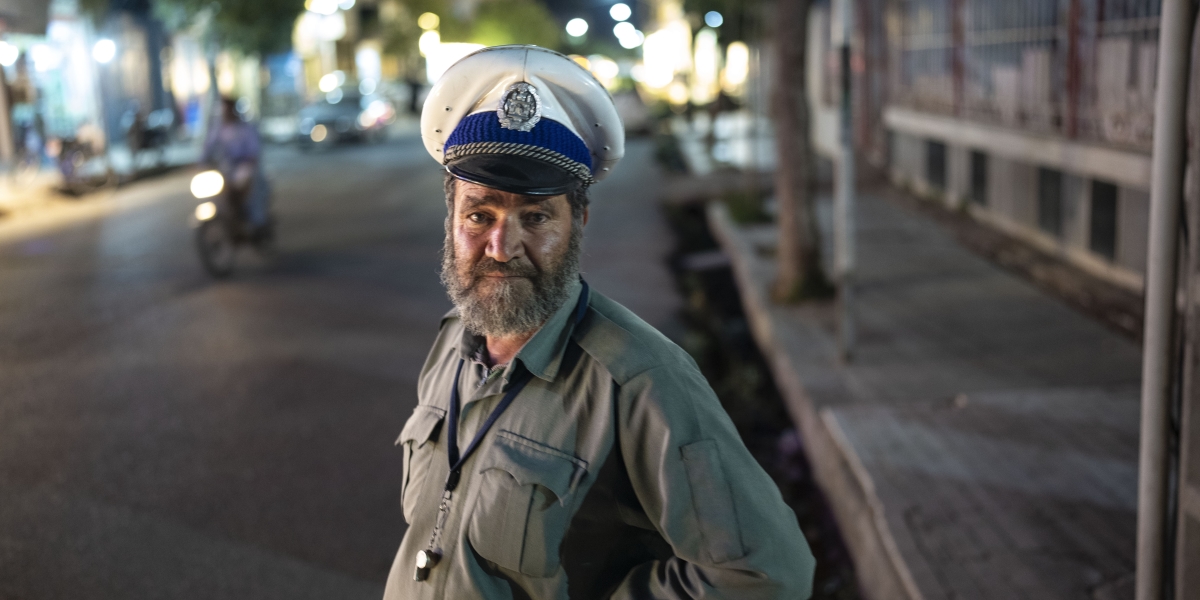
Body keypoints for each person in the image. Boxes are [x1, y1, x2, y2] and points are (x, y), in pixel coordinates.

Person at [385, 45, 816, 600]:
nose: (502, 245)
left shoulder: (639, 379)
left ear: (579, 220)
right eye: (479, 214)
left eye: (535, 216)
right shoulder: (452, 340)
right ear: (452, 216)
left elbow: (766, 575)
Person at [202, 97, 269, 232]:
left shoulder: (246, 128)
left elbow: (254, 151)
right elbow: (208, 147)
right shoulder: (219, 128)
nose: (224, 113)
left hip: (244, 166)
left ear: (233, 110)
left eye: (226, 110)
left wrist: (249, 161)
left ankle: (254, 221)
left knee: (246, 189)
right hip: (227, 168)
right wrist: (200, 163)